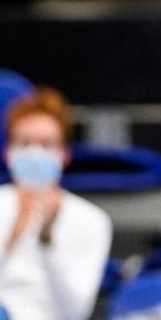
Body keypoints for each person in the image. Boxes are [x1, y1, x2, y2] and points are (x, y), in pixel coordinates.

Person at [0, 88, 112, 319]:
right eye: (25, 143)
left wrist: (46, 238)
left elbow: (75, 312)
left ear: (64, 155)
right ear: (8, 152)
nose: (34, 153)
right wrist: (13, 236)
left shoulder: (91, 220)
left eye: (46, 144)